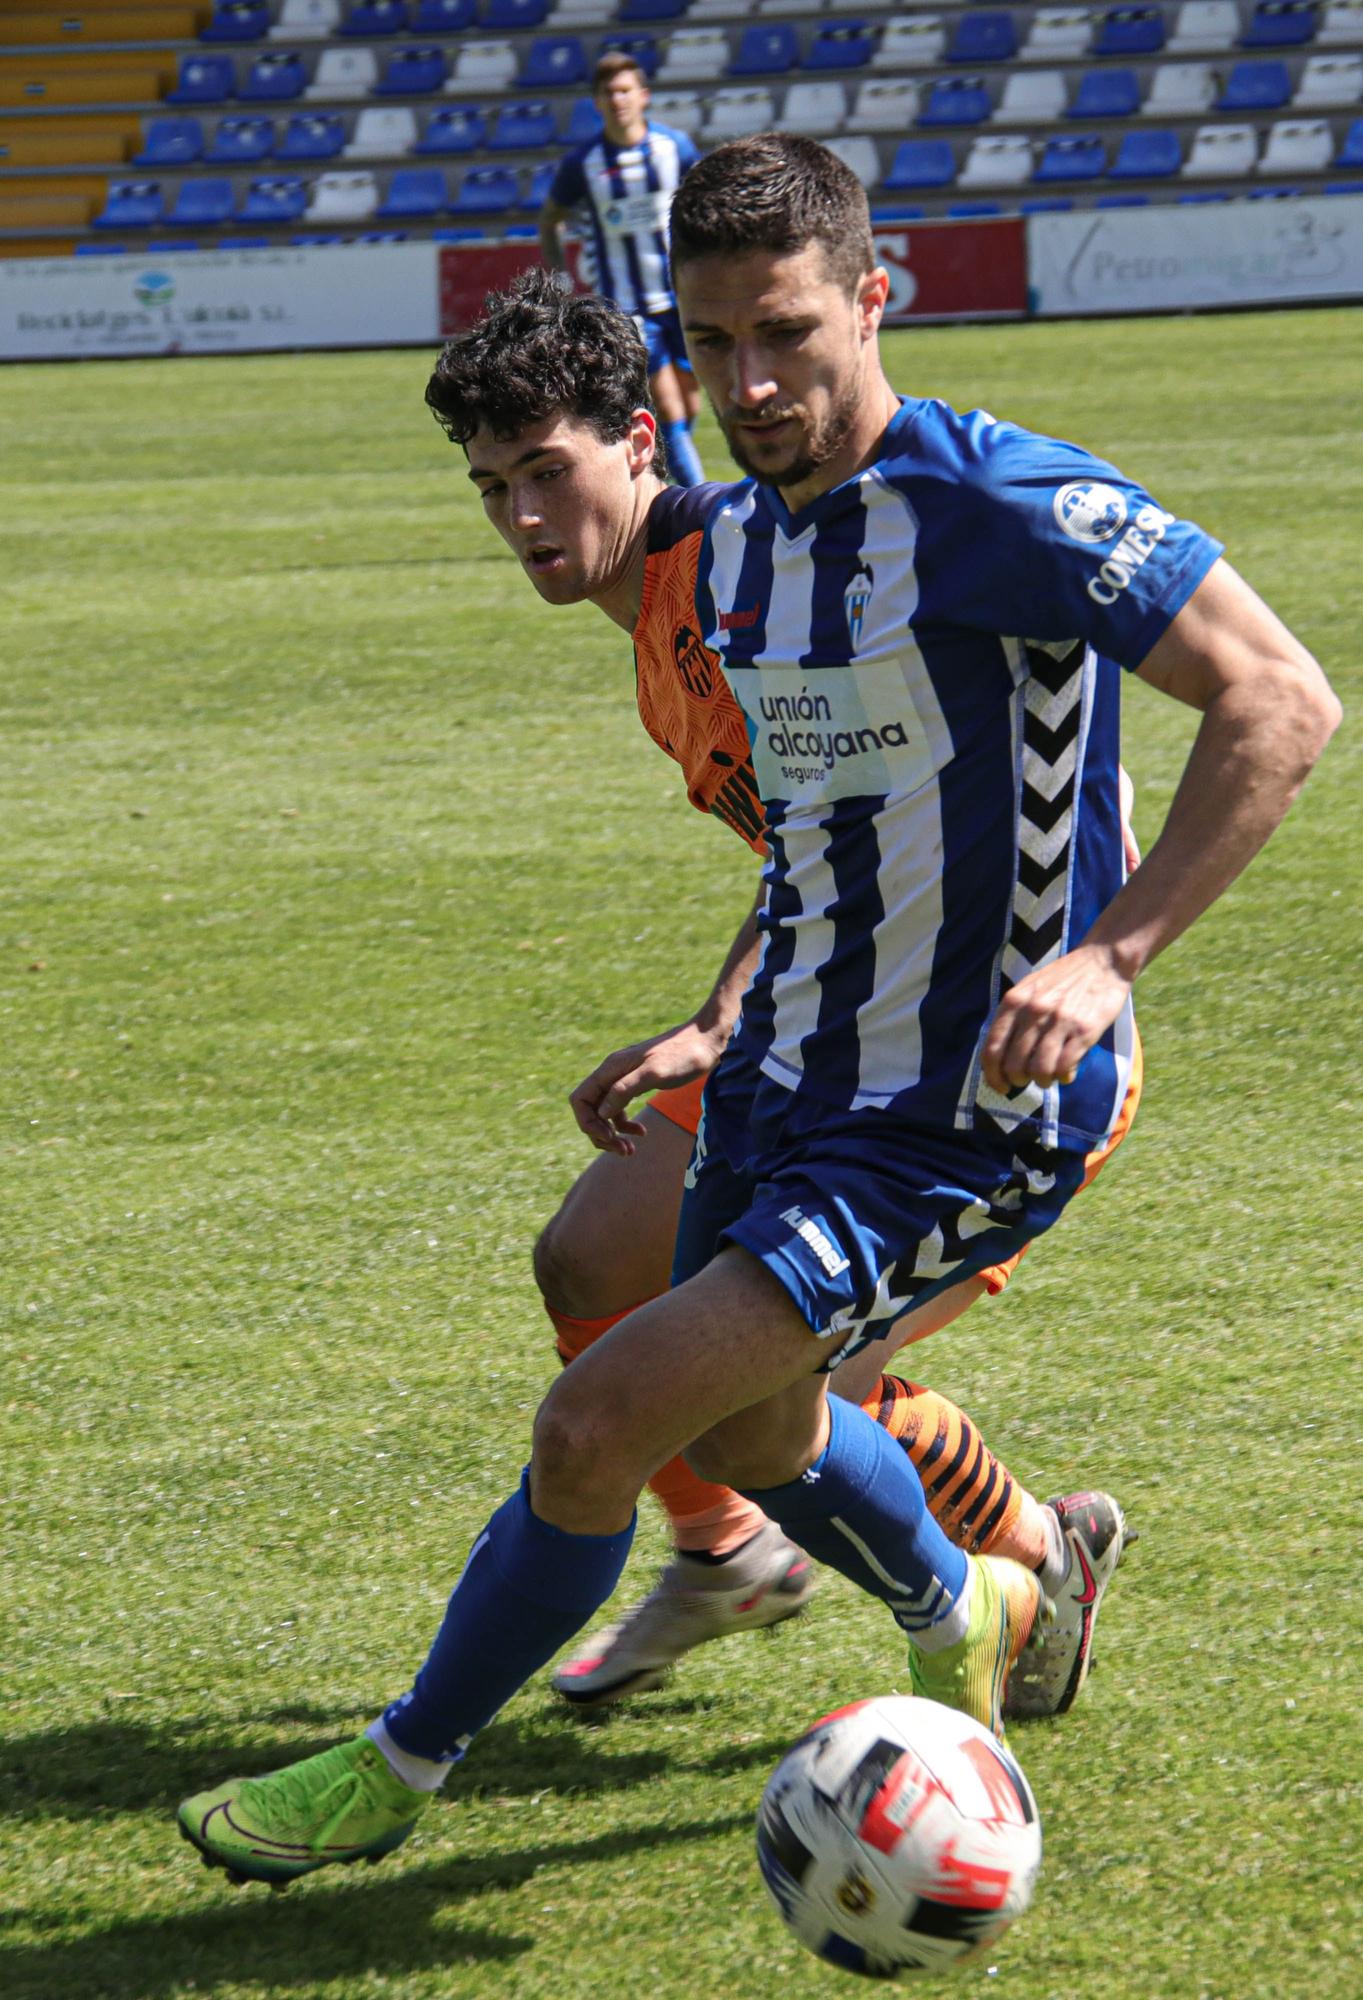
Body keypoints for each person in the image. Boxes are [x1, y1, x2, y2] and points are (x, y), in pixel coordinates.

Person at [177, 137, 1338, 1889]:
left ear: (873, 300)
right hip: (788, 1071)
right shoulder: (738, 554)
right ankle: (976, 1599)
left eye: (786, 333)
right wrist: (721, 1017)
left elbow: (1278, 695)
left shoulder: (997, 505)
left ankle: (397, 1765)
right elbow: (810, 831)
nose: (753, 383)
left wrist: (1109, 953)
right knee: (749, 1430)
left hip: (959, 1107)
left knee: (601, 1419)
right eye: (714, 347)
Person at [538, 51, 705, 487]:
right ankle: (702, 505)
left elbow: (705, 203)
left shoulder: (675, 149)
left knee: (689, 408)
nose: (618, 99)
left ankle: (658, 482)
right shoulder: (584, 164)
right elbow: (549, 220)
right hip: (626, 306)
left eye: (625, 90)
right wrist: (561, 278)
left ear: (643, 96)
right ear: (596, 102)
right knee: (667, 407)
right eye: (608, 92)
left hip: (684, 298)